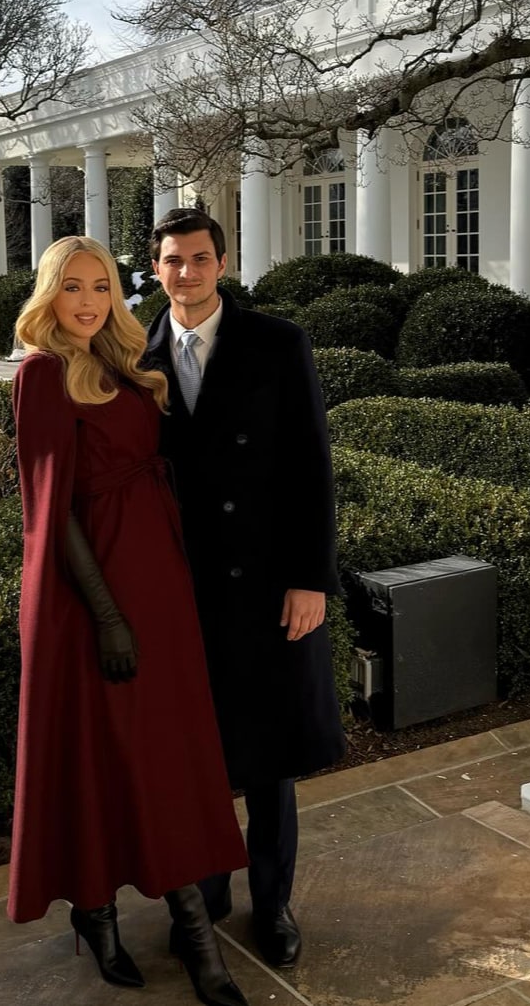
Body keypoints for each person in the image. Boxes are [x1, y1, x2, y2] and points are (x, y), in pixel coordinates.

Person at [7, 235, 249, 1006]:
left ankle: (184, 934)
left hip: (160, 585)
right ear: (49, 295)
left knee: (164, 755)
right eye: (72, 288)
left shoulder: (122, 363)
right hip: (93, 597)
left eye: (101, 288)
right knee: (105, 756)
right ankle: (103, 914)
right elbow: (53, 511)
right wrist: (107, 616)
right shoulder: (43, 376)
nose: (87, 302)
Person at [143, 207, 346, 970]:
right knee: (194, 756)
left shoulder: (277, 342)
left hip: (265, 585)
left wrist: (309, 579)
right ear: (156, 268)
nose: (186, 273)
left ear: (221, 263)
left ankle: (274, 902)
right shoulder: (137, 351)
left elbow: (311, 467)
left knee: (269, 759)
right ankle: (207, 893)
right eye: (172, 261)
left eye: (199, 258)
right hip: (180, 591)